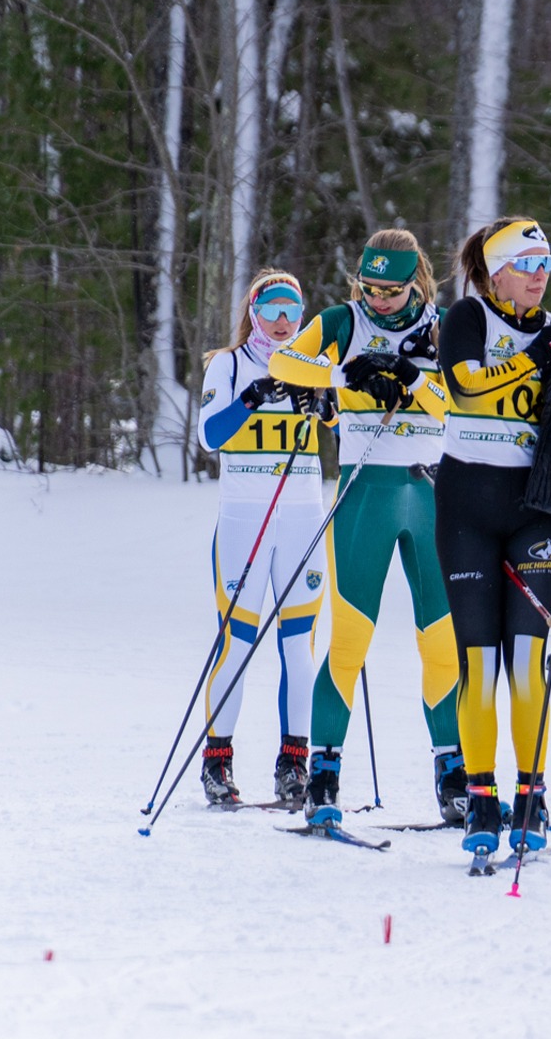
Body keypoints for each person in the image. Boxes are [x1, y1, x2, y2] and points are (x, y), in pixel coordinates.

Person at [268, 230, 463, 822]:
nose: (378, 300)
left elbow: (461, 401)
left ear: (416, 282)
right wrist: (345, 378)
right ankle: (324, 776)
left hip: (431, 490)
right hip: (364, 489)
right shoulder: (340, 320)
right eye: (368, 287)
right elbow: (285, 361)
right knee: (349, 639)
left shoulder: (445, 325)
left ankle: (452, 773)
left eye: (391, 290)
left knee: (441, 642)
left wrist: (410, 379)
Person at [436, 215, 551, 859]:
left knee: (529, 664)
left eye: (546, 264)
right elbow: (466, 385)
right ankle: (481, 796)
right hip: (467, 504)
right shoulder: (469, 318)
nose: (539, 275)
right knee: (480, 663)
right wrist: (534, 354)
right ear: (496, 272)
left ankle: (531, 794)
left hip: (532, 508)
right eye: (528, 264)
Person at [195, 270, 333, 807]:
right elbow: (210, 436)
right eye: (271, 309)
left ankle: (293, 764)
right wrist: (252, 398)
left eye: (291, 311)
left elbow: (345, 424)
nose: (282, 321)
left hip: (302, 519)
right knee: (239, 645)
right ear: (253, 314)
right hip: (245, 520)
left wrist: (323, 407)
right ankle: (217, 761)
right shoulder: (227, 365)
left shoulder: (312, 367)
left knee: (300, 650)